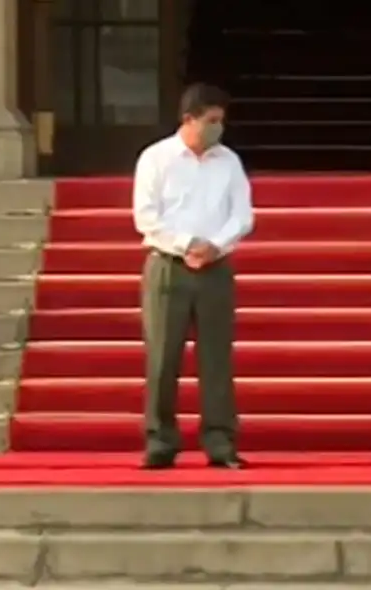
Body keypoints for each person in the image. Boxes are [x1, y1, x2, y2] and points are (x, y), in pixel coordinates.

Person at [132, 83, 254, 470]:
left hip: (216, 269)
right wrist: (188, 244)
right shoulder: (157, 159)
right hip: (168, 265)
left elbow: (242, 215)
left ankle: (220, 441)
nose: (218, 128)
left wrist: (215, 245)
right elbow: (146, 215)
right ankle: (160, 440)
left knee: (216, 358)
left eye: (222, 121)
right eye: (211, 121)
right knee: (163, 358)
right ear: (189, 119)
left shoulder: (229, 162)